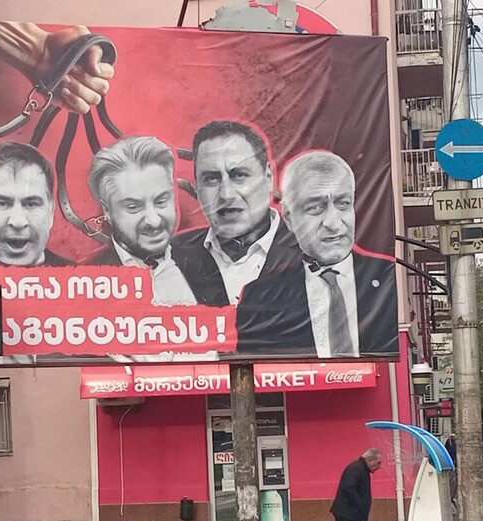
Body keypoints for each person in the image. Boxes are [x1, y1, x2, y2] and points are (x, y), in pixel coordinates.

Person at [234, 150, 398, 357]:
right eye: (315, 208)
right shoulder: (260, 297)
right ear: (289, 218)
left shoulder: (389, 279)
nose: (333, 223)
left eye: (343, 204)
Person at [172, 120, 302, 306]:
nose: (226, 194)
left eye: (239, 175)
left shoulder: (311, 251)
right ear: (197, 188)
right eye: (211, 179)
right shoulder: (170, 256)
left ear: (268, 177)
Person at [84, 136, 197, 306]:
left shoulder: (208, 260)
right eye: (133, 207)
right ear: (107, 210)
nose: (153, 221)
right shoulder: (83, 282)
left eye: (161, 201)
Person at [0, 141, 74, 281]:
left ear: (51, 213)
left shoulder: (80, 280)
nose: (18, 222)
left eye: (31, 204)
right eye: (2, 203)